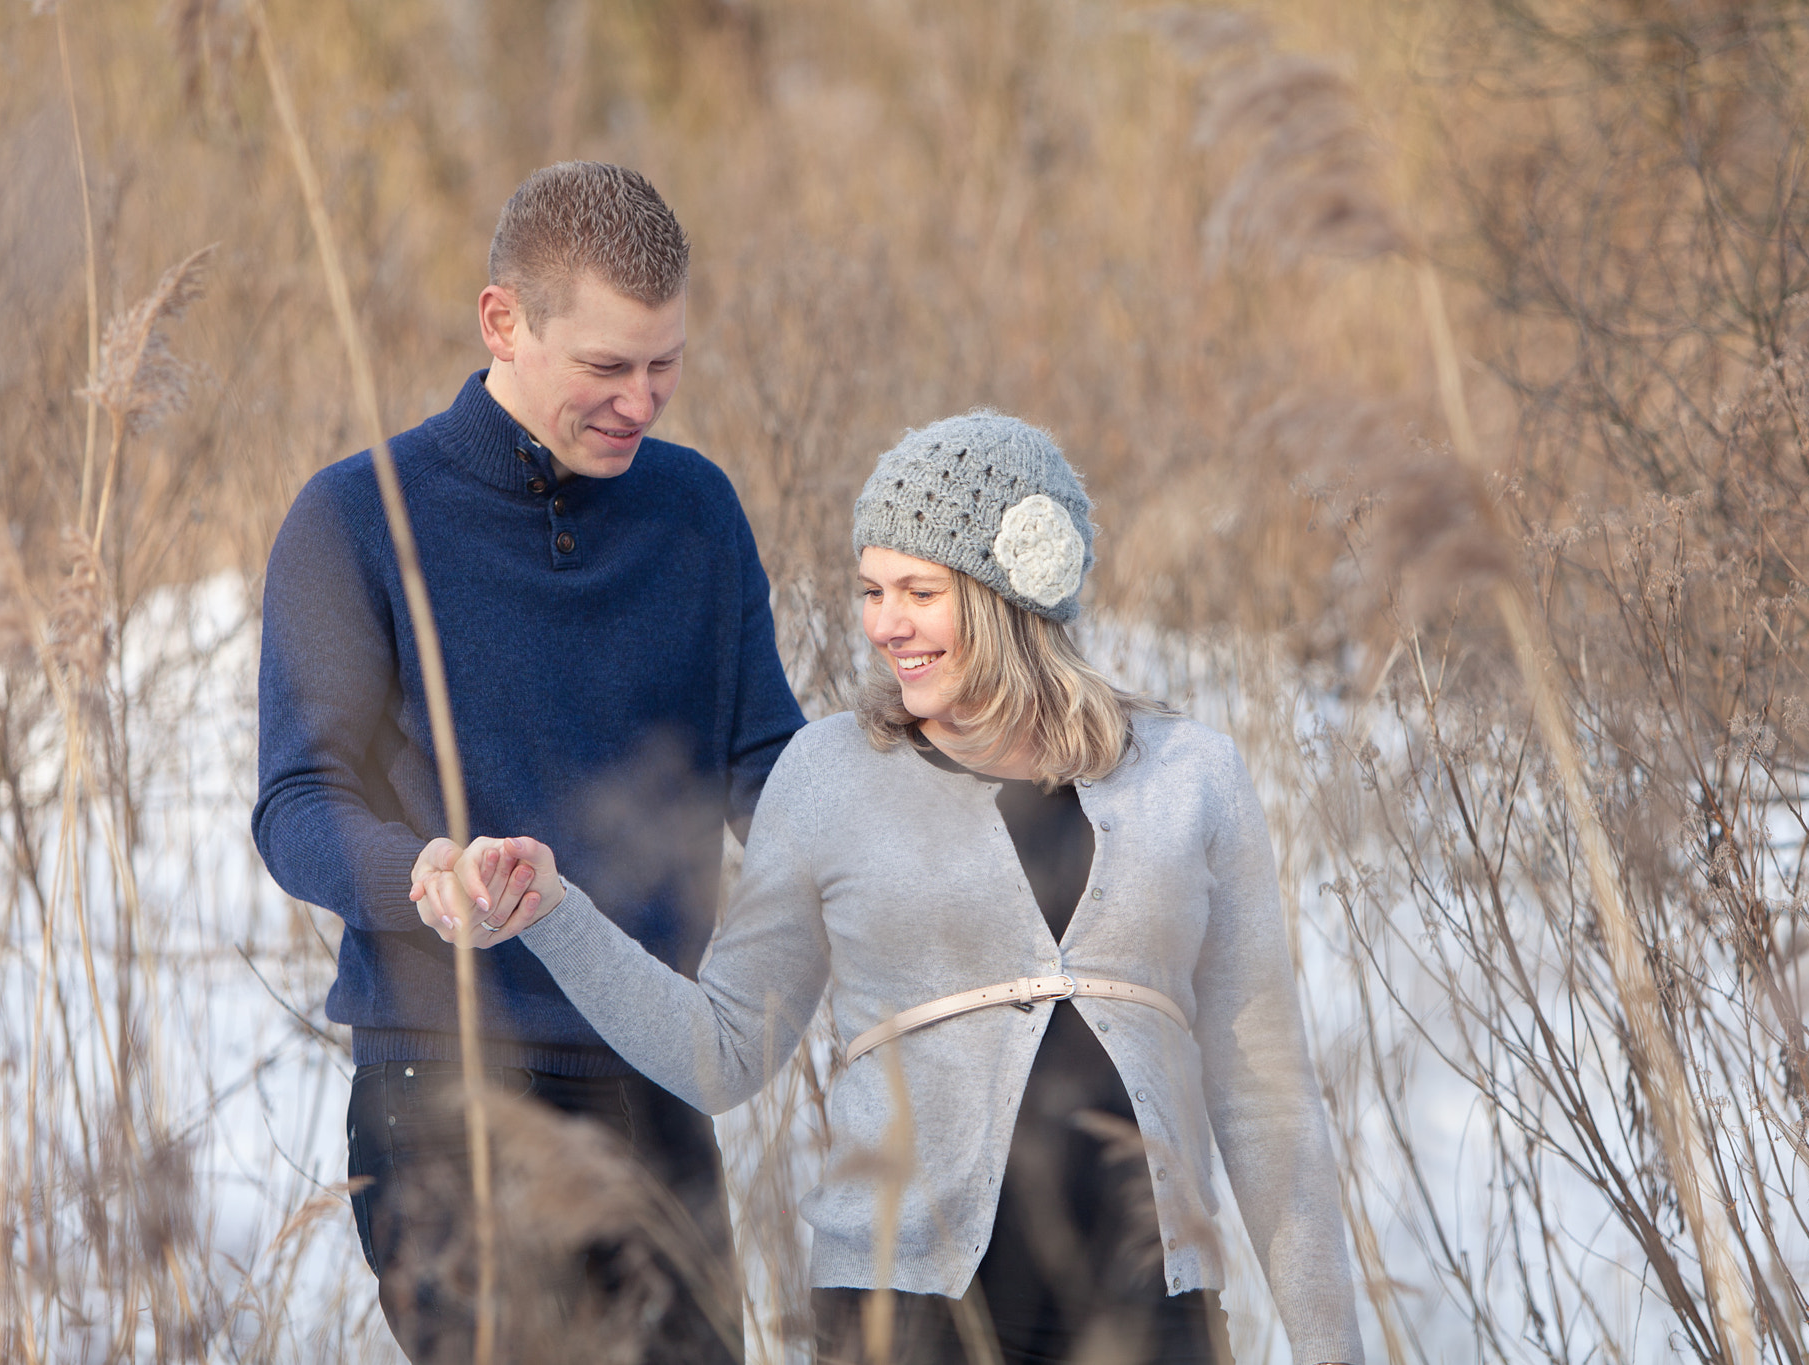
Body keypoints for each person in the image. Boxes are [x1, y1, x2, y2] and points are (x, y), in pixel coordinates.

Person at [423, 412, 1364, 1365]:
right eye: (872, 589)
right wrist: (557, 913)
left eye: (920, 589)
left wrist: (1334, 1349)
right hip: (906, 1316)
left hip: (1151, 1313)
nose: (884, 624)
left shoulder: (1191, 775)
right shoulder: (828, 775)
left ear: (1016, 597)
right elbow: (726, 1052)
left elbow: (1266, 1094)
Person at [251, 161, 805, 1362]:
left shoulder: (695, 513)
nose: (642, 401)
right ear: (503, 320)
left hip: (659, 1073)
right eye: (606, 367)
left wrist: (895, 838)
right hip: (446, 1093)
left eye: (664, 365)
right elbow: (297, 800)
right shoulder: (356, 519)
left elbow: (768, 764)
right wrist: (421, 871)